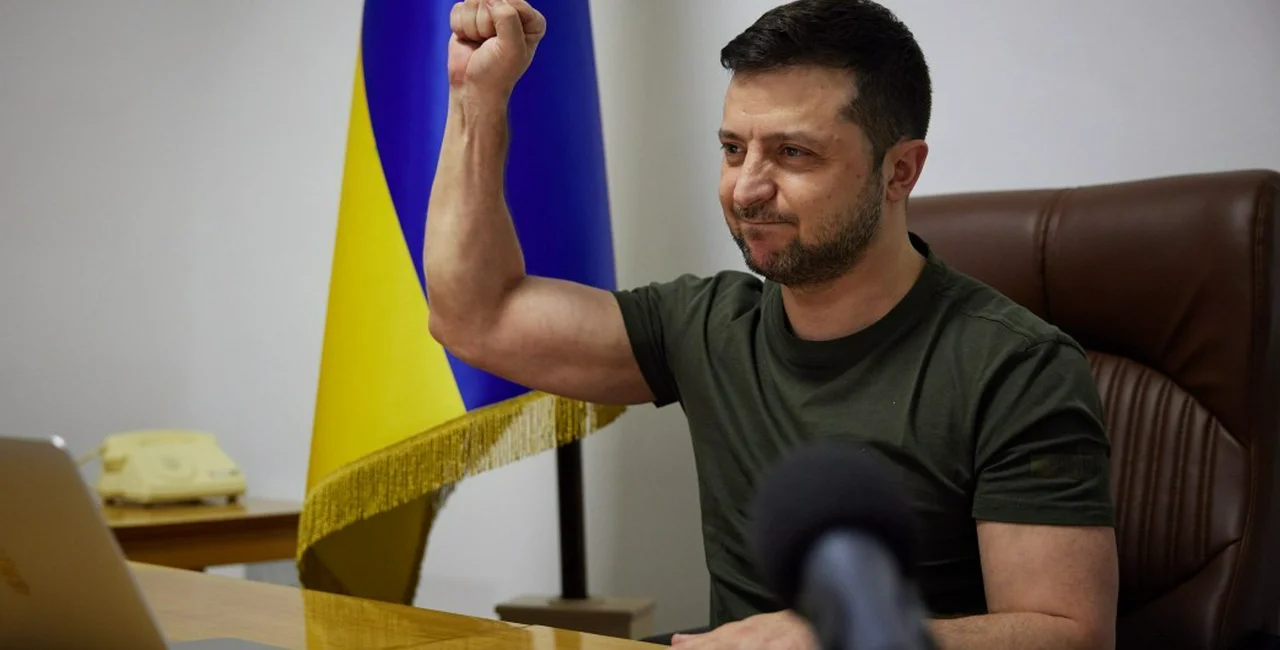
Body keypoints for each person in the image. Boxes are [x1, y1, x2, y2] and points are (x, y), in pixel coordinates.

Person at [426, 0, 1119, 648]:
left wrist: (843, 634)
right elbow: (473, 316)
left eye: (793, 153)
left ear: (899, 171)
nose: (747, 189)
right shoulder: (705, 325)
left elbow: (1072, 633)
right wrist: (476, 100)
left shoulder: (1017, 366)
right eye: (733, 149)